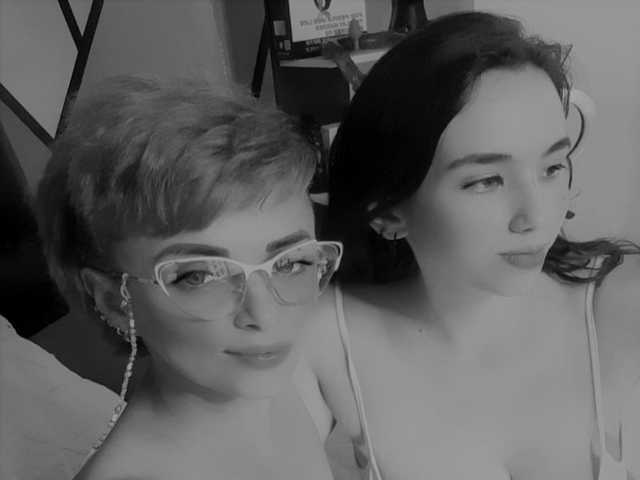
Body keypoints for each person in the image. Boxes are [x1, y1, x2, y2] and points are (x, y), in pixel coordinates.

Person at [305, 11, 640, 480]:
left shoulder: (620, 306)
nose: (535, 216)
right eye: (486, 181)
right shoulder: (322, 336)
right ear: (388, 210)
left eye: (552, 168)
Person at [34, 76, 344, 480]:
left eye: (290, 263)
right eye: (199, 276)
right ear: (113, 300)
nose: (265, 315)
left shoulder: (271, 382)